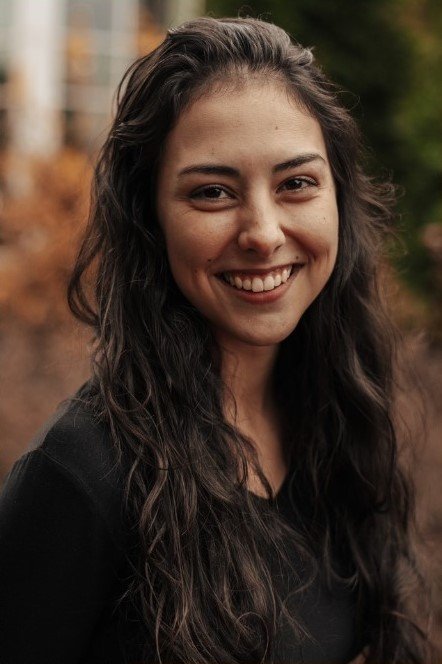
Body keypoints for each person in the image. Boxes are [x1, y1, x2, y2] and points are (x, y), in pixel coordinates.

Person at [0, 16, 431, 664]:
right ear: (151, 220)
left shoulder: (336, 424)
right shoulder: (82, 476)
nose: (262, 231)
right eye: (212, 192)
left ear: (337, 199)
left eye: (296, 184)